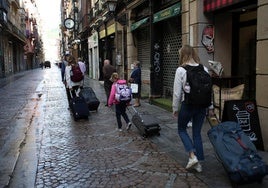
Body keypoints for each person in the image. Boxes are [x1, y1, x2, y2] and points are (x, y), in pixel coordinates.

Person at [172, 44, 214, 173]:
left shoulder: (181, 70)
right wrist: (211, 106)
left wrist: (175, 108)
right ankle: (199, 162)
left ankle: (192, 156)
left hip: (188, 105)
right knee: (196, 133)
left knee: (181, 129)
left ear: (182, 55)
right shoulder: (204, 69)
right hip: (202, 106)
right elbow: (209, 90)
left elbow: (177, 93)